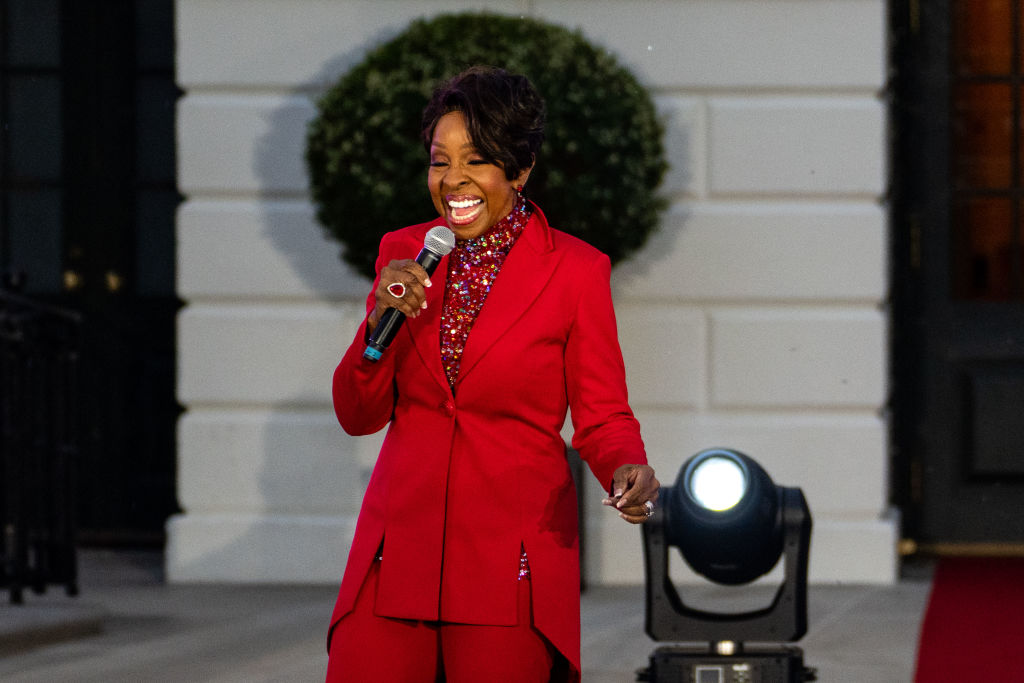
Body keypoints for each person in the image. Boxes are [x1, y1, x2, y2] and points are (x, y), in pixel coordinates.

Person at [325, 65, 659, 683]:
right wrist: (377, 327)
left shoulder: (576, 272)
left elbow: (603, 414)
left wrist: (626, 468)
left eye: (475, 160)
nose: (453, 180)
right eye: (439, 161)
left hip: (510, 558)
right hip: (398, 549)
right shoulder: (404, 249)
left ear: (520, 169)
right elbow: (358, 414)